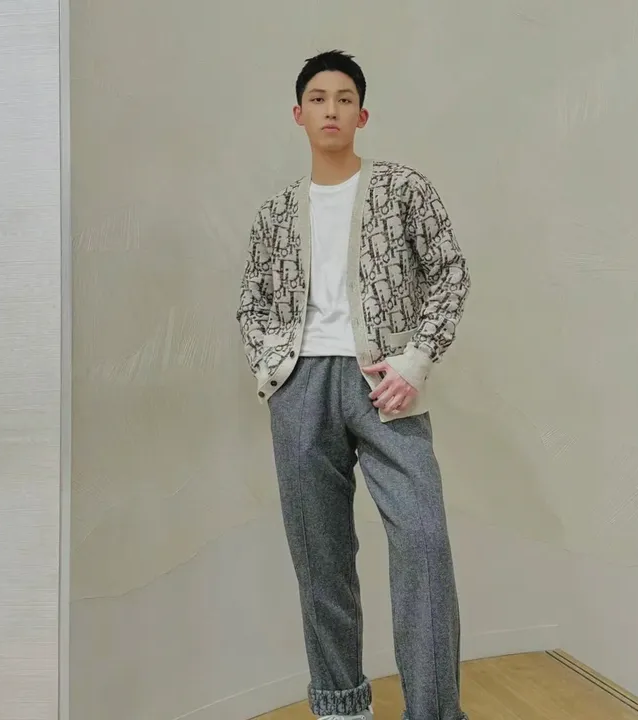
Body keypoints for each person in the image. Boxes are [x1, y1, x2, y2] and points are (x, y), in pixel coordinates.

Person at [236, 50, 471, 720]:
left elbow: (450, 273)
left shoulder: (403, 189)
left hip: (386, 383)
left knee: (423, 544)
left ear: (362, 115)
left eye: (344, 99)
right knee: (321, 560)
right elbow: (252, 304)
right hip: (302, 387)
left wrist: (415, 362)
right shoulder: (276, 213)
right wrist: (275, 371)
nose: (331, 109)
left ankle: (434, 712)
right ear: (299, 114)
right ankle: (341, 708)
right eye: (318, 98)